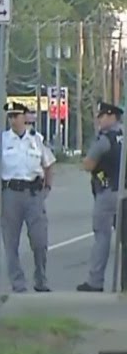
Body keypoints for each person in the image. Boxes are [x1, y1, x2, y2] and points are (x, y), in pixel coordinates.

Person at [0, 102, 55, 292]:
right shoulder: (1, 140)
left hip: (33, 194)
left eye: (16, 115)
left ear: (25, 117)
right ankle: (18, 283)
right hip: (10, 194)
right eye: (10, 116)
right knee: (10, 242)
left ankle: (41, 280)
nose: (13, 120)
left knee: (40, 241)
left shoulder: (37, 139)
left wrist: (47, 188)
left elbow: (48, 164)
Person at [77, 101, 124, 292]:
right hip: (124, 193)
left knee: (102, 237)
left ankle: (95, 281)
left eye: (102, 116)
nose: (99, 120)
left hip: (107, 193)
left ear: (112, 116)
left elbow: (88, 164)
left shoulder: (106, 139)